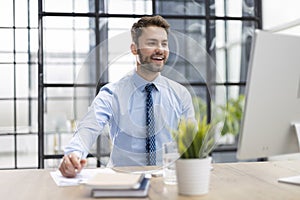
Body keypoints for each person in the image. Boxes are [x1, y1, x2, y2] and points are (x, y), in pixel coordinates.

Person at [59, 15, 195, 178]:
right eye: (152, 43)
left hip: (168, 179)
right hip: (122, 180)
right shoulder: (111, 93)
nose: (160, 49)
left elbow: (191, 144)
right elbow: (87, 128)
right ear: (134, 49)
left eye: (164, 44)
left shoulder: (181, 94)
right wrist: (74, 154)